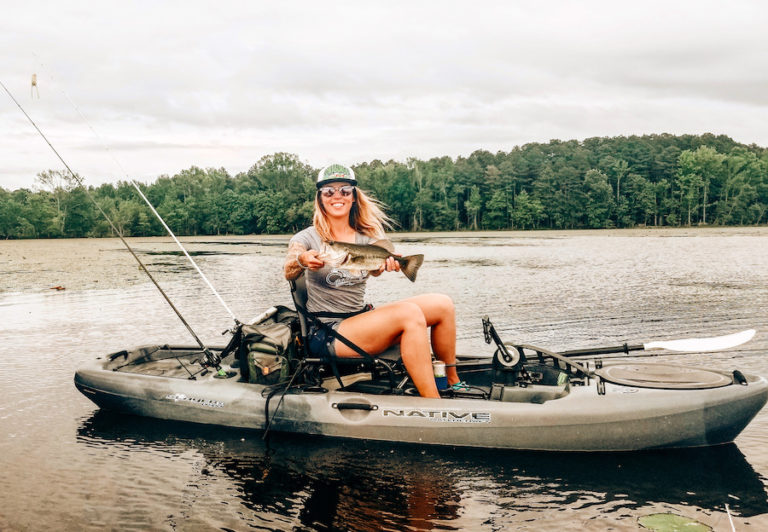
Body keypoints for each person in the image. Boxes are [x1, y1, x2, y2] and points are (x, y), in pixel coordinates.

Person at [284, 163, 460, 398]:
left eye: (345, 190)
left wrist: (386, 266)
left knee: (442, 304)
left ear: (353, 197)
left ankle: (452, 380)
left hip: (360, 319)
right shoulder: (306, 237)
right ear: (320, 198)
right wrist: (302, 259)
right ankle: (433, 402)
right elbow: (289, 269)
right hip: (327, 332)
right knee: (409, 314)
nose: (337, 196)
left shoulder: (367, 237)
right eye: (329, 191)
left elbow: (372, 271)